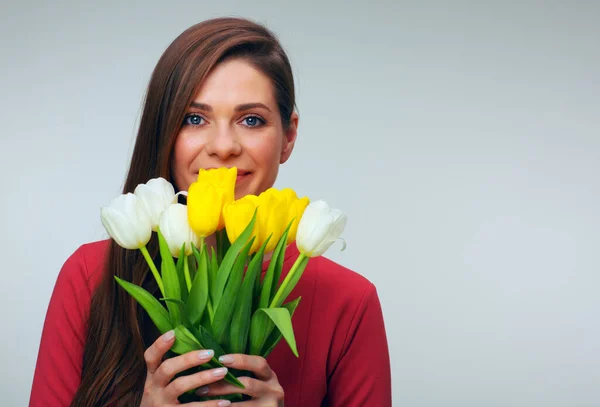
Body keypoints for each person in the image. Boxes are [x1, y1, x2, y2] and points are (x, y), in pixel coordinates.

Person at [29, 17, 392, 407]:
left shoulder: (349, 302)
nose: (223, 147)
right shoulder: (91, 276)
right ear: (164, 132)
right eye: (194, 118)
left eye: (251, 120)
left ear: (288, 136)